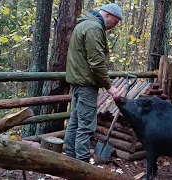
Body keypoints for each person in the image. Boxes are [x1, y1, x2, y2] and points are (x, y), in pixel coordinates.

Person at [64, 3, 123, 163]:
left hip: (78, 82)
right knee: (86, 126)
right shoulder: (93, 28)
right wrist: (109, 86)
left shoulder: (84, 24)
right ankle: (82, 163)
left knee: (75, 122)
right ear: (107, 16)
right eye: (115, 22)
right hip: (86, 85)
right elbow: (96, 62)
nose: (114, 27)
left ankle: (69, 159)